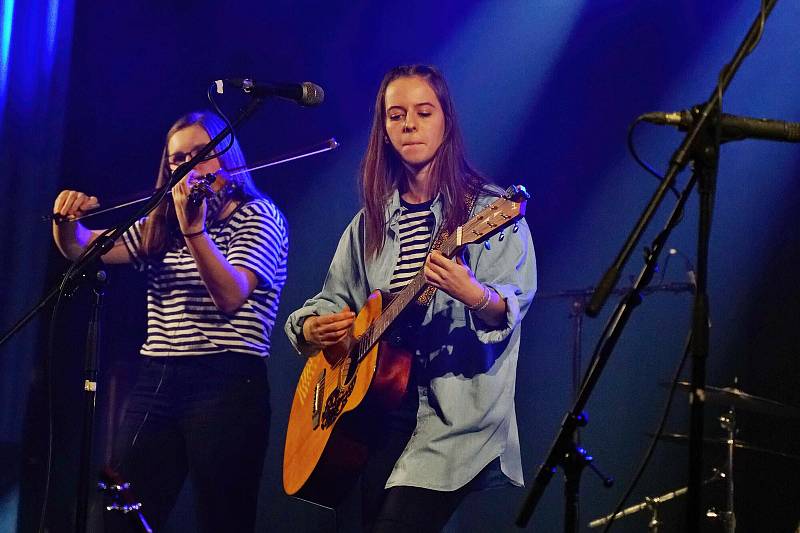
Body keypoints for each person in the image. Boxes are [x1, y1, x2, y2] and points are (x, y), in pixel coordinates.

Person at [284, 65, 536, 532]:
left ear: (446, 121)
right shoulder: (370, 222)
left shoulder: (489, 212)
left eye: (423, 111)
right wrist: (311, 326)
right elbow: (331, 298)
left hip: (451, 416)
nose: (409, 124)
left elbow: (511, 305)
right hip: (375, 414)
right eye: (395, 115)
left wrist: (476, 296)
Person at [52, 111, 288, 532]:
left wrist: (195, 232)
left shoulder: (258, 215)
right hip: (158, 378)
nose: (189, 166)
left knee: (223, 519)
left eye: (201, 154)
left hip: (227, 381)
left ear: (226, 159)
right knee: (120, 513)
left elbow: (231, 295)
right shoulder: (162, 226)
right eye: (178, 158)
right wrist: (66, 225)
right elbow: (83, 248)